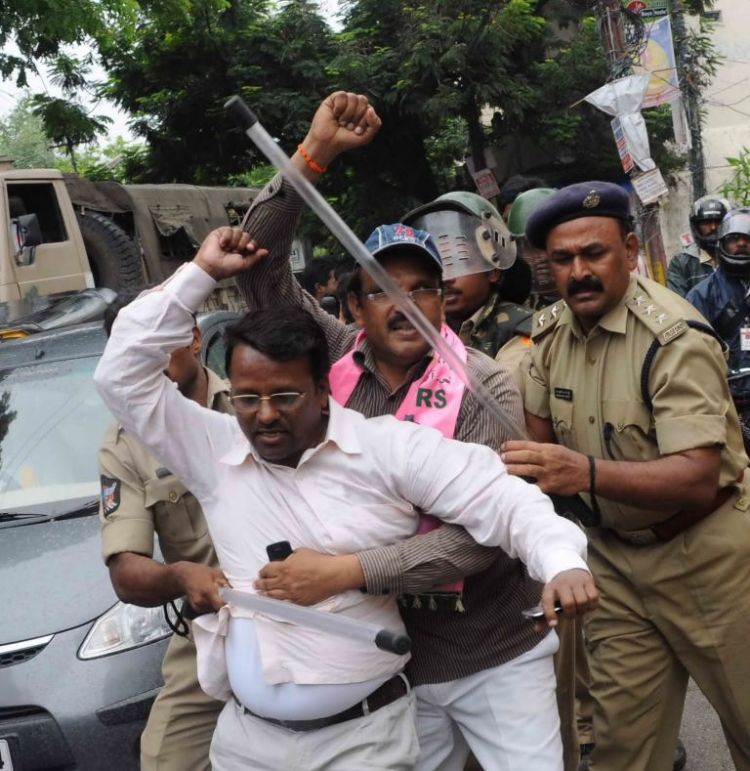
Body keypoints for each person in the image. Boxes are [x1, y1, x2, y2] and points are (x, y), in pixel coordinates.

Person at [94, 225, 597, 771]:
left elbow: (504, 501)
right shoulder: (212, 450)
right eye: (247, 398)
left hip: (368, 737)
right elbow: (120, 375)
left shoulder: (387, 449)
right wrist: (201, 273)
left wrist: (562, 564)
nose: (265, 415)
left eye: (285, 396)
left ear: (322, 390)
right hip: (248, 743)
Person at [235, 91, 591, 770]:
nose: (405, 304)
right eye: (383, 289)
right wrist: (314, 154)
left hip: (495, 651)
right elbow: (258, 264)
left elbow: (482, 535)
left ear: (441, 298)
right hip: (386, 662)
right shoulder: (330, 360)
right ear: (353, 305)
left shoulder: (484, 383)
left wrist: (348, 571)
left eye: (422, 287)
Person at [501, 181, 750, 771]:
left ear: (631, 251)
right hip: (612, 559)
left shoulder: (675, 338)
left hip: (708, 555)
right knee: (621, 750)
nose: (579, 272)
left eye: (594, 253)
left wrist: (581, 471)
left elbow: (696, 477)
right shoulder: (549, 337)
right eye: (563, 259)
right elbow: (537, 441)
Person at [98, 291, 229, 771]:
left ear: (194, 338)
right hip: (211, 627)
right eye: (131, 354)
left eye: (157, 345)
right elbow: (126, 572)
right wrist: (180, 576)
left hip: (296, 604)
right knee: (163, 759)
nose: (147, 363)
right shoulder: (124, 444)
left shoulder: (253, 398)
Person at [401, 191, 534, 372]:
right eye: (435, 267)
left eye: (460, 261)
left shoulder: (520, 328)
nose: (446, 278)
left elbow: (503, 386)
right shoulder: (424, 330)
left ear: (493, 270)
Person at [686, 207, 750, 370]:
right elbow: (691, 351)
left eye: (748, 238)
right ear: (722, 243)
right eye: (734, 238)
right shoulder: (702, 295)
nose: (741, 243)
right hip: (725, 383)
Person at [666, 195, 730, 297]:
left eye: (718, 222)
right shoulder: (682, 263)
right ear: (696, 226)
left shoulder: (739, 256)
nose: (713, 227)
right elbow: (676, 302)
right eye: (707, 222)